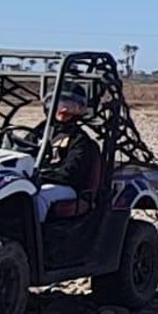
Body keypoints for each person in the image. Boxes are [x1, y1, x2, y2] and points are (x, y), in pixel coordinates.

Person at [22, 83, 101, 222]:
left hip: (66, 187)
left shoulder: (79, 139)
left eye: (71, 106)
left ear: (80, 110)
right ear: (49, 106)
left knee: (39, 197)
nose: (64, 109)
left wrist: (41, 176)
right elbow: (22, 152)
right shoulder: (39, 132)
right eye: (59, 104)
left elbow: (71, 173)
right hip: (35, 181)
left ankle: (32, 240)